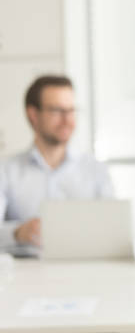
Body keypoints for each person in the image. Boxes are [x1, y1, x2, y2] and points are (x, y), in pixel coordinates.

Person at [0, 75, 114, 250]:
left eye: (71, 110)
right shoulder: (7, 171)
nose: (67, 120)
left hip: (85, 269)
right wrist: (17, 232)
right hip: (24, 272)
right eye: (57, 111)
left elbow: (113, 231)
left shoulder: (96, 170)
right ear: (33, 115)